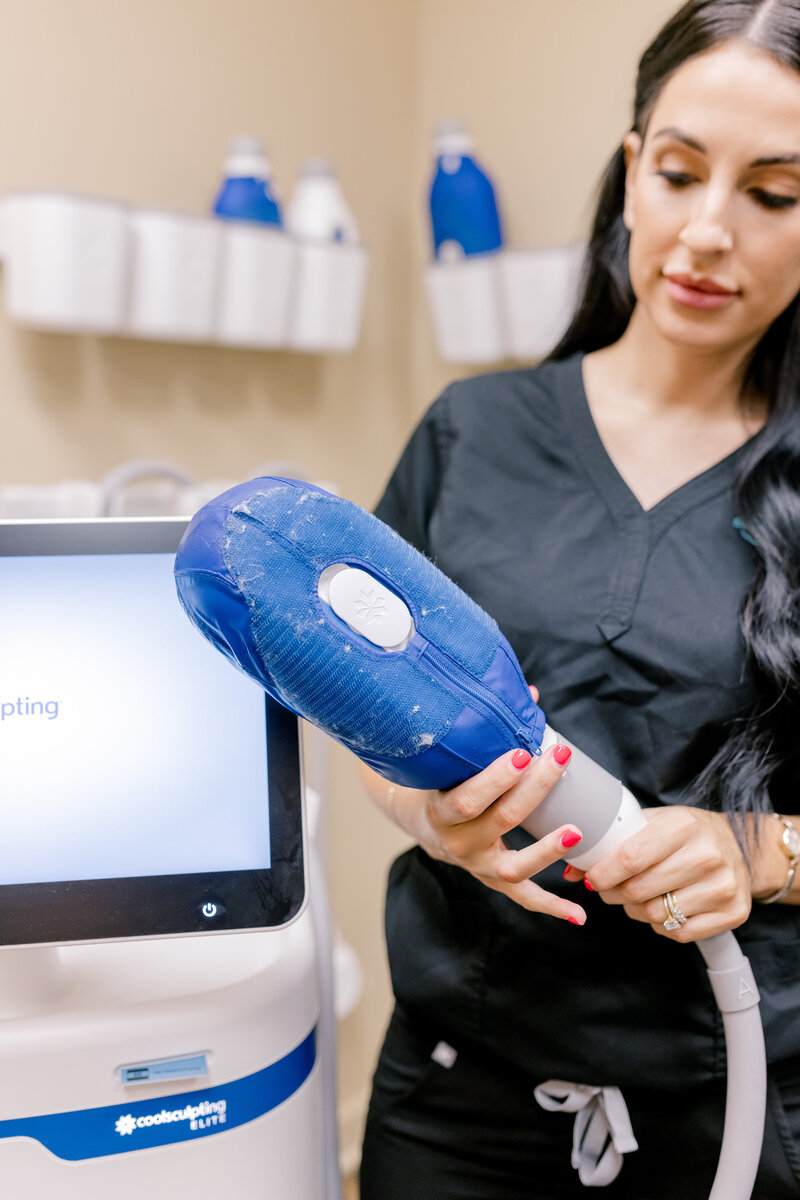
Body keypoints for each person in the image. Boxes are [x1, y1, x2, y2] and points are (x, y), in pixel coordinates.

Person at [357, 3, 800, 1197]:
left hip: (736, 1097)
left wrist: (759, 853)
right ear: (628, 172)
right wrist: (425, 820)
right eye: (674, 172)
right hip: (457, 1097)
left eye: (774, 194)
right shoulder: (475, 431)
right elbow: (378, 725)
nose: (706, 232)